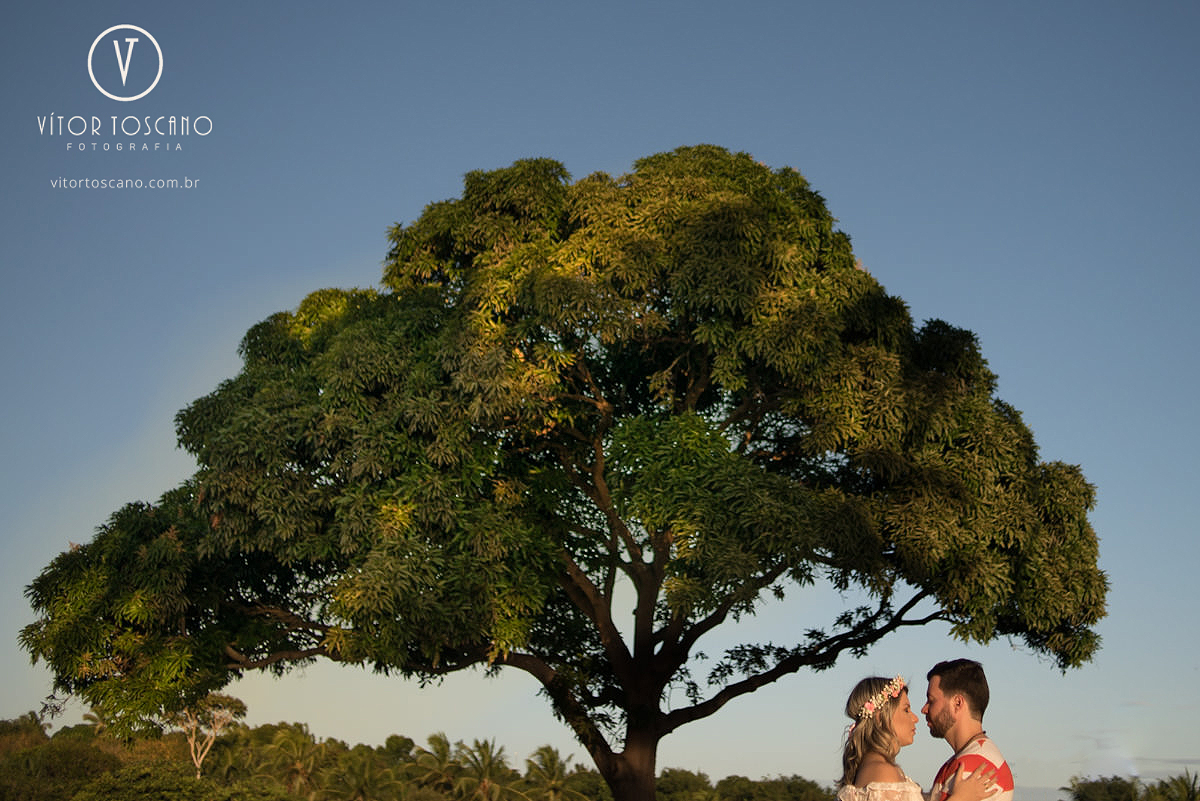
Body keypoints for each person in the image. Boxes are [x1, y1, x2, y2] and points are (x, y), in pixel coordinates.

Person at [838, 675, 997, 801]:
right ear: (881, 717)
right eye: (906, 710)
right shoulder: (882, 771)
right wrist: (961, 798)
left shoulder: (874, 767)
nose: (915, 718)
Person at [922, 660, 1014, 801]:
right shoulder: (970, 758)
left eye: (931, 700)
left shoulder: (972, 769)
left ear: (957, 703)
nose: (924, 709)